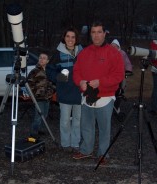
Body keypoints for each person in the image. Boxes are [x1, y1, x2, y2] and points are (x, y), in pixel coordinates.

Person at [72, 21, 124, 164]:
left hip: (105, 97)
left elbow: (118, 75)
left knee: (104, 128)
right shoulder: (84, 53)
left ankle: (103, 153)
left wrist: (100, 82)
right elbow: (76, 72)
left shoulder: (113, 53)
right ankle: (86, 150)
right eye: (93, 32)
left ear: (104, 33)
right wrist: (80, 82)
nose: (96, 35)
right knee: (86, 126)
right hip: (87, 96)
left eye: (99, 32)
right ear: (90, 34)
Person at [46, 27, 83, 152]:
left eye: (73, 37)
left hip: (79, 92)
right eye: (68, 36)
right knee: (65, 121)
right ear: (64, 38)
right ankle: (66, 143)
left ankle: (76, 143)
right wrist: (58, 77)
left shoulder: (82, 52)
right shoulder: (58, 53)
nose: (70, 39)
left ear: (76, 39)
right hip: (64, 92)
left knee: (78, 120)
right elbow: (49, 70)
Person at [27, 52, 55, 137]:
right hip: (38, 97)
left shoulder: (49, 72)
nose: (41, 59)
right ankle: (33, 133)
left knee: (45, 115)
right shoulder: (34, 71)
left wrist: (51, 91)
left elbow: (52, 83)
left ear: (47, 61)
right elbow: (29, 84)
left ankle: (39, 129)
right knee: (38, 115)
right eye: (40, 58)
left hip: (47, 97)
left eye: (44, 58)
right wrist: (34, 95)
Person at [149, 40, 157, 115]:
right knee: (156, 89)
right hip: (155, 69)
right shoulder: (154, 43)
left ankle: (153, 107)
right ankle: (154, 108)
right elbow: (153, 57)